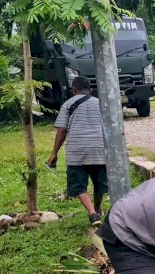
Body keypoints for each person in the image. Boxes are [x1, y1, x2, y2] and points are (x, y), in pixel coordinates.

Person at [47, 76, 107, 227]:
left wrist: (54, 153)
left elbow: (62, 131)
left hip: (76, 151)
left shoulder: (67, 104)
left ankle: (92, 213)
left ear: (73, 90)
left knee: (78, 185)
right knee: (99, 183)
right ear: (90, 90)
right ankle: (98, 209)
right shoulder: (101, 104)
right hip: (98, 150)